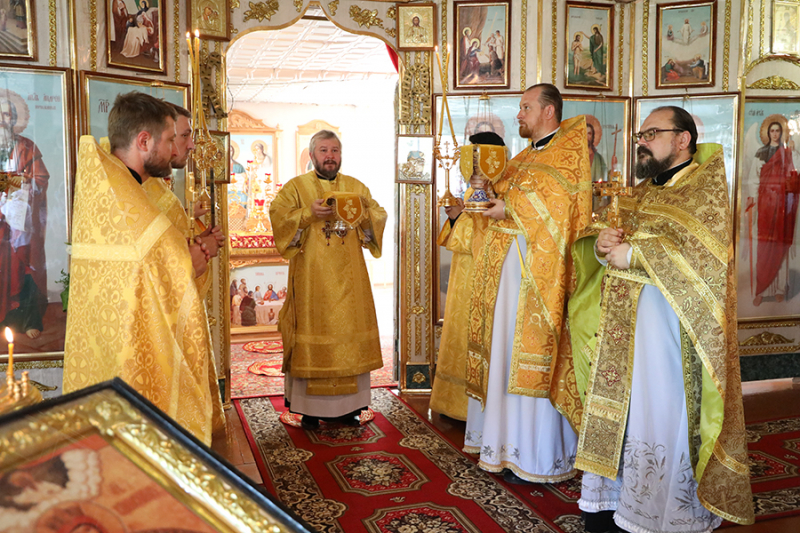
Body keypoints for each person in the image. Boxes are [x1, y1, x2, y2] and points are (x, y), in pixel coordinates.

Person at [570, 106, 754, 533]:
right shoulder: (644, 190)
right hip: (622, 333)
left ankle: (664, 515)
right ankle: (614, 502)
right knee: (625, 413)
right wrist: (602, 244)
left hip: (671, 337)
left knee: (660, 414)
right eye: (641, 135)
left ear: (683, 139)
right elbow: (610, 241)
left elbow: (705, 262)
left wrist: (635, 254)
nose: (642, 142)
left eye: (651, 133)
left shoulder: (703, 190)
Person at [63, 92, 223, 445]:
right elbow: (169, 263)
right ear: (144, 141)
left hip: (110, 342)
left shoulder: (112, 187)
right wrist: (194, 257)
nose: (173, 149)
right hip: (129, 348)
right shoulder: (124, 197)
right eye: (169, 140)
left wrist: (189, 252)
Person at [464, 84, 591, 484]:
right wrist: (485, 189)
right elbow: (504, 198)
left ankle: (534, 458)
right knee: (503, 356)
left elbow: (560, 213)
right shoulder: (522, 158)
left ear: (548, 111)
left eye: (525, 107)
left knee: (528, 361)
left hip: (536, 284)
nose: (519, 114)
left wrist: (509, 208)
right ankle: (501, 447)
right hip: (506, 281)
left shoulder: (568, 156)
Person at [269, 129, 387, 430]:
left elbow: (378, 215)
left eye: (335, 150)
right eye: (323, 150)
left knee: (349, 335)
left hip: (350, 281)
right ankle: (309, 409)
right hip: (312, 280)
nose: (330, 156)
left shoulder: (356, 187)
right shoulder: (296, 188)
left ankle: (350, 408)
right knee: (311, 332)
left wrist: (361, 215)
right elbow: (280, 218)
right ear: (312, 155)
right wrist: (307, 214)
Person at [429, 132, 503, 422]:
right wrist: (455, 216)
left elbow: (480, 237)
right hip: (464, 276)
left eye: (476, 159)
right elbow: (456, 239)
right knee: (460, 334)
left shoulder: (502, 192)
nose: (472, 166)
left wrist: (459, 217)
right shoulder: (474, 191)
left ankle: (476, 409)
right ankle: (456, 405)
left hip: (485, 275)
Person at [0, 92, 48, 340]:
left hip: (21, 221)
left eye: (7, 114)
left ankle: (28, 320)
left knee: (23, 265)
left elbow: (41, 179)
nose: (2, 120)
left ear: (14, 119)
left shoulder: (27, 147)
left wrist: (24, 183)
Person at [747, 119, 800, 307]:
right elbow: (753, 179)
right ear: (768, 133)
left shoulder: (788, 152)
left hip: (784, 205)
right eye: (772, 131)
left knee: (780, 245)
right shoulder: (761, 153)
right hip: (766, 204)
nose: (775, 134)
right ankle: (761, 290)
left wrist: (793, 151)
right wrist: (755, 201)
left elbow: (797, 172)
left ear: (782, 133)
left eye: (778, 131)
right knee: (764, 246)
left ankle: (779, 289)